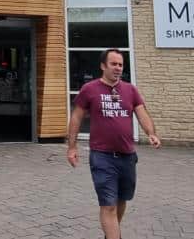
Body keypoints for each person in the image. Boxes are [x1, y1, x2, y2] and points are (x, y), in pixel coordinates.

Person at [66, 49, 161, 239]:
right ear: (103, 66)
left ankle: (110, 233)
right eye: (114, 64)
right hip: (102, 156)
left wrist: (151, 133)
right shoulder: (90, 89)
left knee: (121, 200)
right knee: (108, 204)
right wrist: (72, 147)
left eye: (120, 65)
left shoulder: (130, 90)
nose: (118, 68)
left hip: (127, 156)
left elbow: (142, 113)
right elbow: (76, 117)